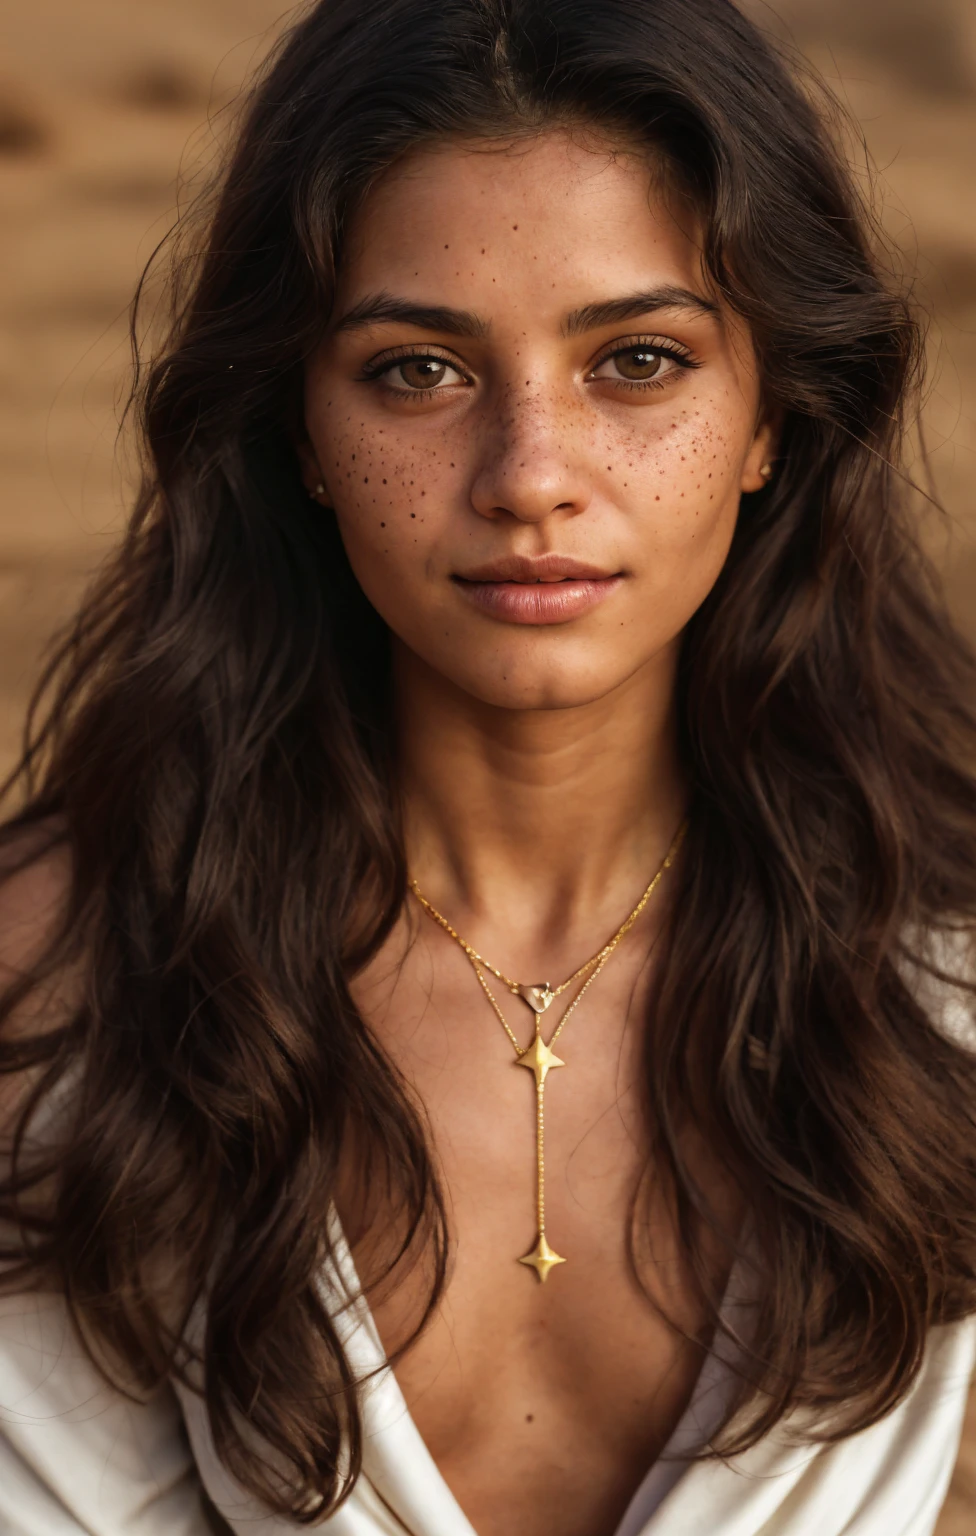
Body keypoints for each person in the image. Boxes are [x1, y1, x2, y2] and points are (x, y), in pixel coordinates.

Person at [2, 0, 976, 1532]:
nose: (532, 474)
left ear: (770, 416)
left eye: (637, 361)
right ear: (303, 430)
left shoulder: (942, 970)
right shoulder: (60, 985)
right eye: (418, 372)